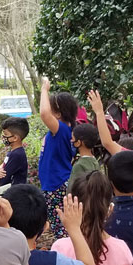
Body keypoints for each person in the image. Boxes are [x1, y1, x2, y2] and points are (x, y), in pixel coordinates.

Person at [39, 78, 78, 238]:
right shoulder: (65, 130)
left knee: (60, 228)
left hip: (56, 184)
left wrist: (44, 90)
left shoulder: (61, 129)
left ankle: (65, 255)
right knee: (59, 226)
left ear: (59, 113)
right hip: (57, 183)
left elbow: (43, 114)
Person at [67, 123, 104, 194]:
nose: (71, 141)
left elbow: (71, 190)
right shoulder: (94, 161)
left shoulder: (79, 165)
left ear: (78, 142)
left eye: (72, 138)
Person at [0, 117, 30, 187]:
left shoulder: (17, 155)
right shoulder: (13, 152)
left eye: (5, 135)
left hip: (14, 194)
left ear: (15, 138)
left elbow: (3, 177)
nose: (3, 137)